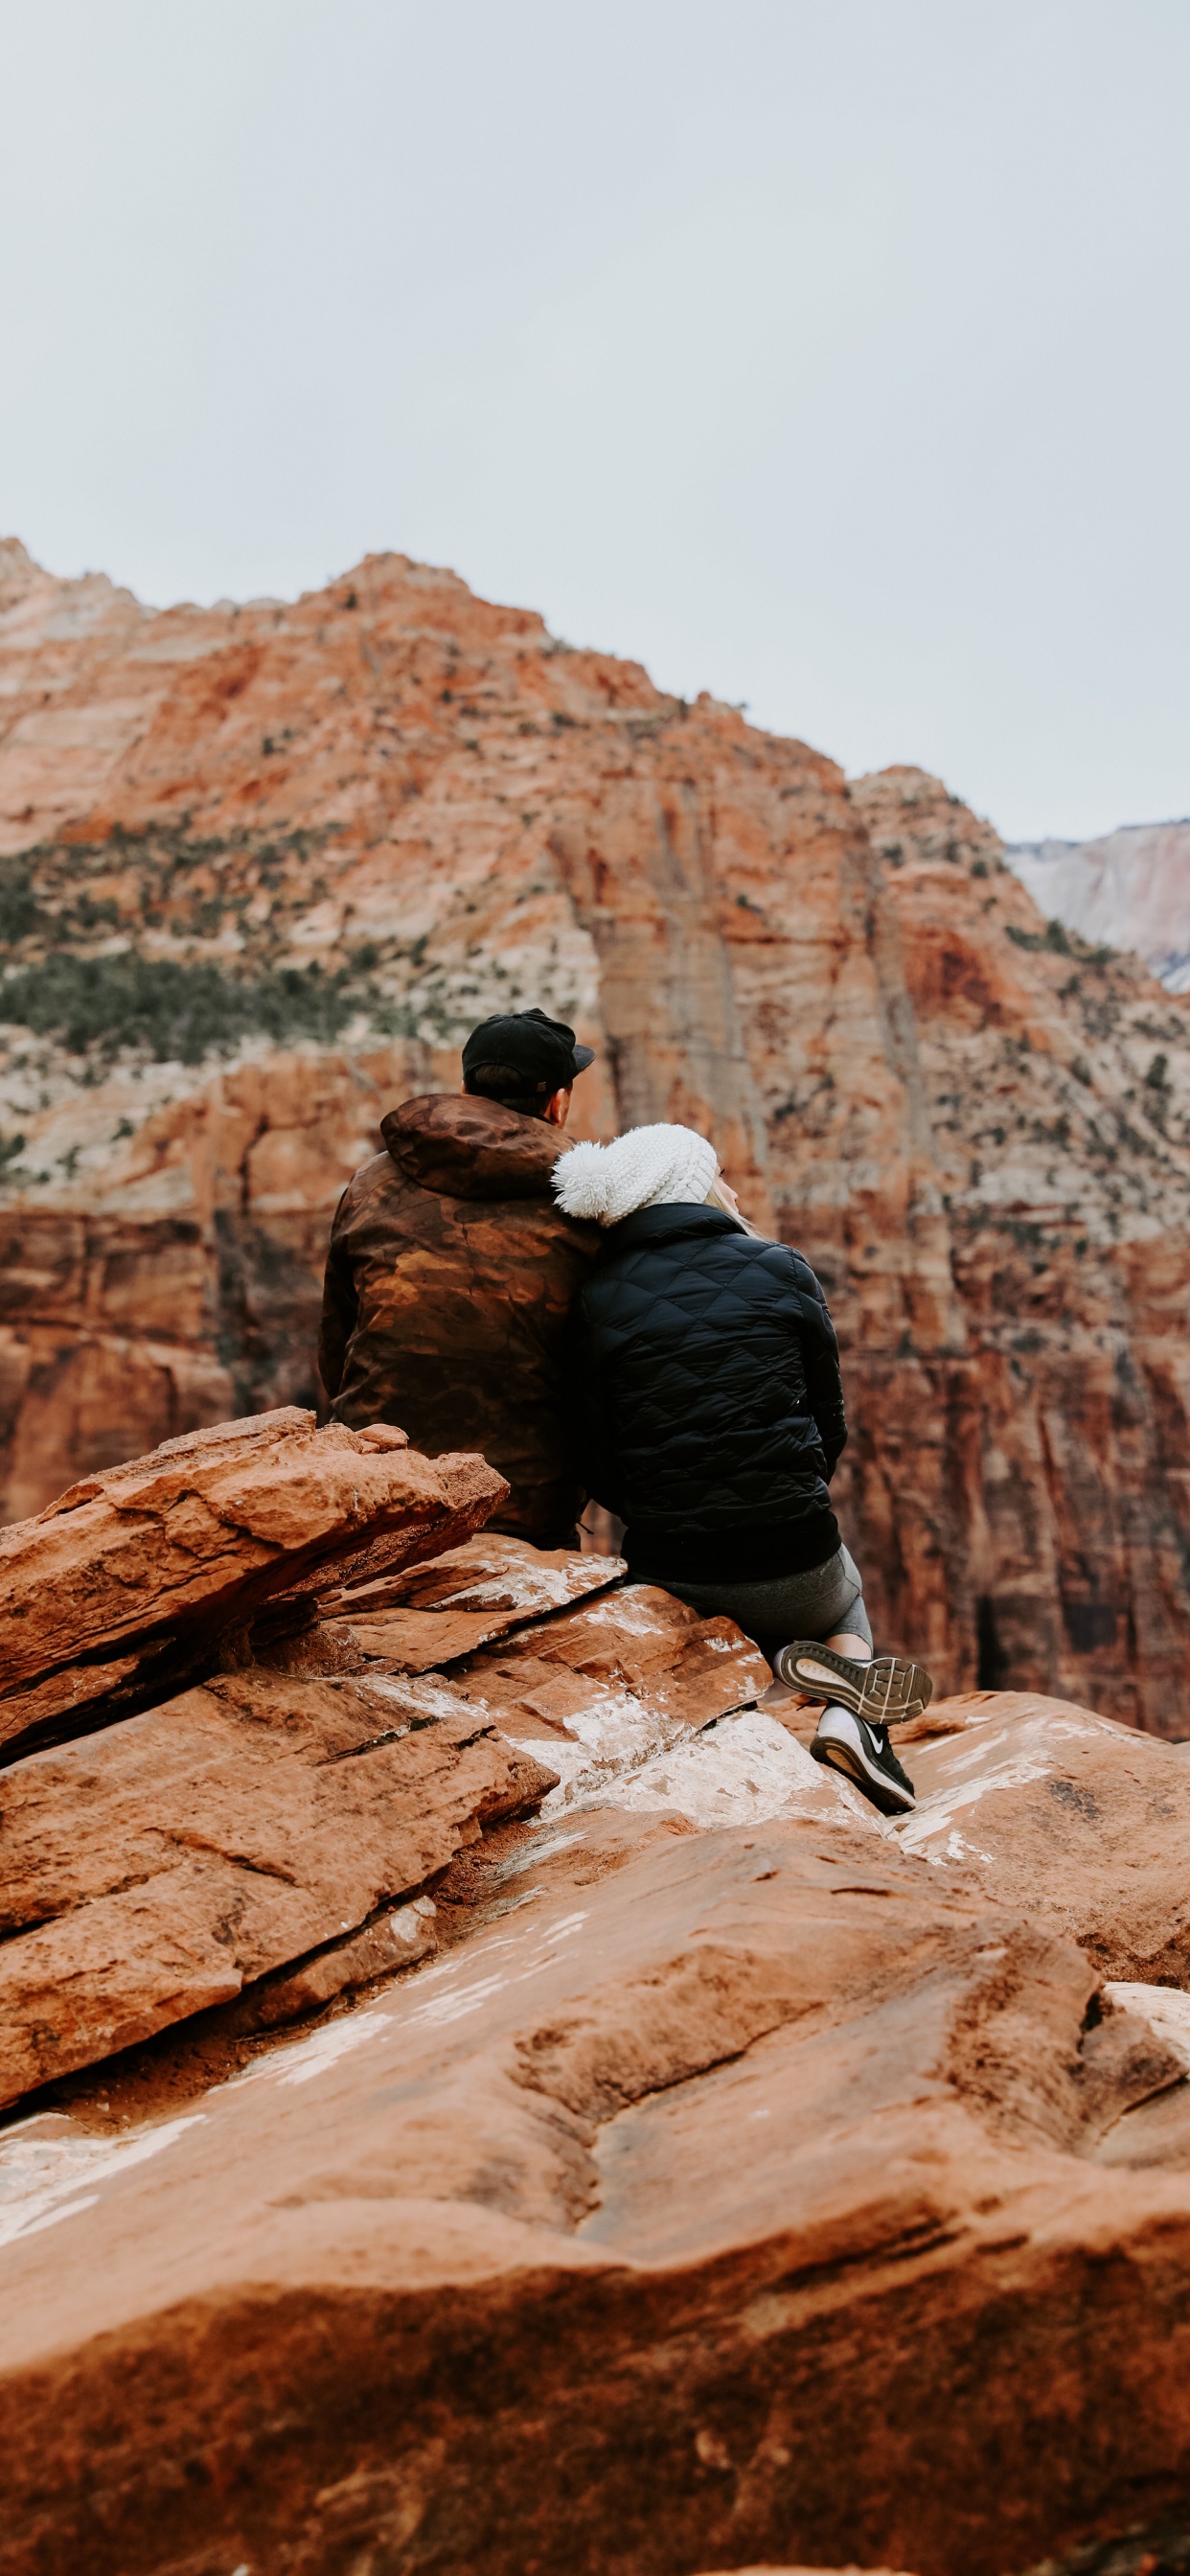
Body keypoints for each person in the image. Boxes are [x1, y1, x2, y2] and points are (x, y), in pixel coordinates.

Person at [554, 1120, 932, 1815]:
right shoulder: (781, 1267)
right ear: (693, 1186)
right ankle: (853, 1718)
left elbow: (594, 1453)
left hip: (676, 1569)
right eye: (714, 1172)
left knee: (694, 1619)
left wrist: (659, 1513)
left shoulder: (594, 1298)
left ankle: (729, 1745)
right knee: (844, 1601)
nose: (727, 1184)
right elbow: (830, 1418)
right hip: (795, 1551)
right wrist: (794, 1489)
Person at [318, 1008, 600, 1545]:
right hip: (526, 1510)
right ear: (557, 1103)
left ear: (466, 1087)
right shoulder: (588, 1197)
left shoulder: (372, 1181)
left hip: (375, 1492)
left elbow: (338, 1343)